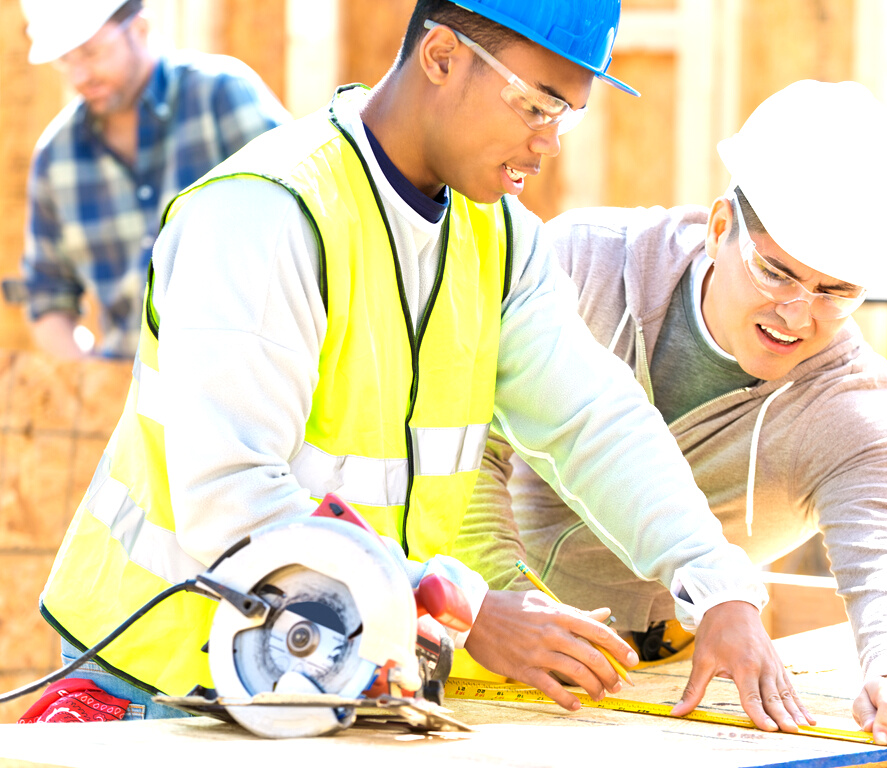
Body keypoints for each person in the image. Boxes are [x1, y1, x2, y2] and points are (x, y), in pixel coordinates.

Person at [37, 0, 810, 733]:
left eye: (569, 116)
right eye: (538, 106)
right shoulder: (267, 215)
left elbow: (593, 420)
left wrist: (718, 586)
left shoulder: (498, 238)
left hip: (327, 676)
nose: (551, 142)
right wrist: (463, 608)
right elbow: (231, 502)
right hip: (157, 685)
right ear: (442, 55)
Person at [457, 80, 887, 767]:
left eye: (836, 292)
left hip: (679, 668)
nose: (797, 314)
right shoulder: (581, 265)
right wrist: (497, 600)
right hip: (482, 632)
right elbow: (465, 441)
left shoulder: (851, 413)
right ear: (721, 227)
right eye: (776, 273)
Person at [18, 0, 289, 359]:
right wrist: (94, 384)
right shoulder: (56, 156)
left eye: (91, 53)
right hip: (127, 395)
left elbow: (304, 222)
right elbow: (47, 294)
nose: (80, 76)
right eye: (66, 61)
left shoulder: (221, 96)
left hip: (249, 381)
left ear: (140, 29)